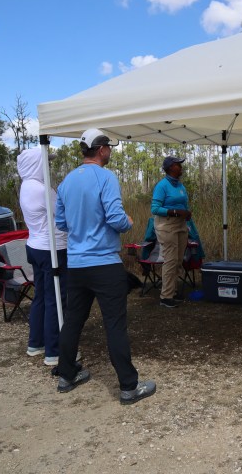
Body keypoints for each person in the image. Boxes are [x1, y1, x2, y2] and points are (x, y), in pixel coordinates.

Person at [54, 128, 156, 404]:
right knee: (115, 325)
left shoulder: (66, 182)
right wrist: (129, 222)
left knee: (73, 321)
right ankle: (128, 387)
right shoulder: (106, 177)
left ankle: (66, 375)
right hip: (104, 263)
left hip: (76, 264)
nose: (110, 151)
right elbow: (116, 218)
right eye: (109, 147)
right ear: (101, 150)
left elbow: (61, 223)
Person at [17, 146, 68, 367]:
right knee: (55, 299)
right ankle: (54, 351)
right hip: (52, 249)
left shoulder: (26, 187)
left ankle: (35, 343)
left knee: (40, 297)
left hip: (35, 246)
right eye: (46, 162)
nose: (49, 165)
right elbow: (64, 215)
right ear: (37, 164)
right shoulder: (42, 190)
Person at [150, 156, 191, 308]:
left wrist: (186, 214)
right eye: (177, 165)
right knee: (171, 260)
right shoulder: (162, 186)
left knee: (178, 260)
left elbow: (183, 204)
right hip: (166, 225)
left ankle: (172, 291)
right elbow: (155, 209)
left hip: (181, 224)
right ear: (169, 168)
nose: (180, 167)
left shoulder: (180, 185)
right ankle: (165, 297)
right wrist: (175, 212)